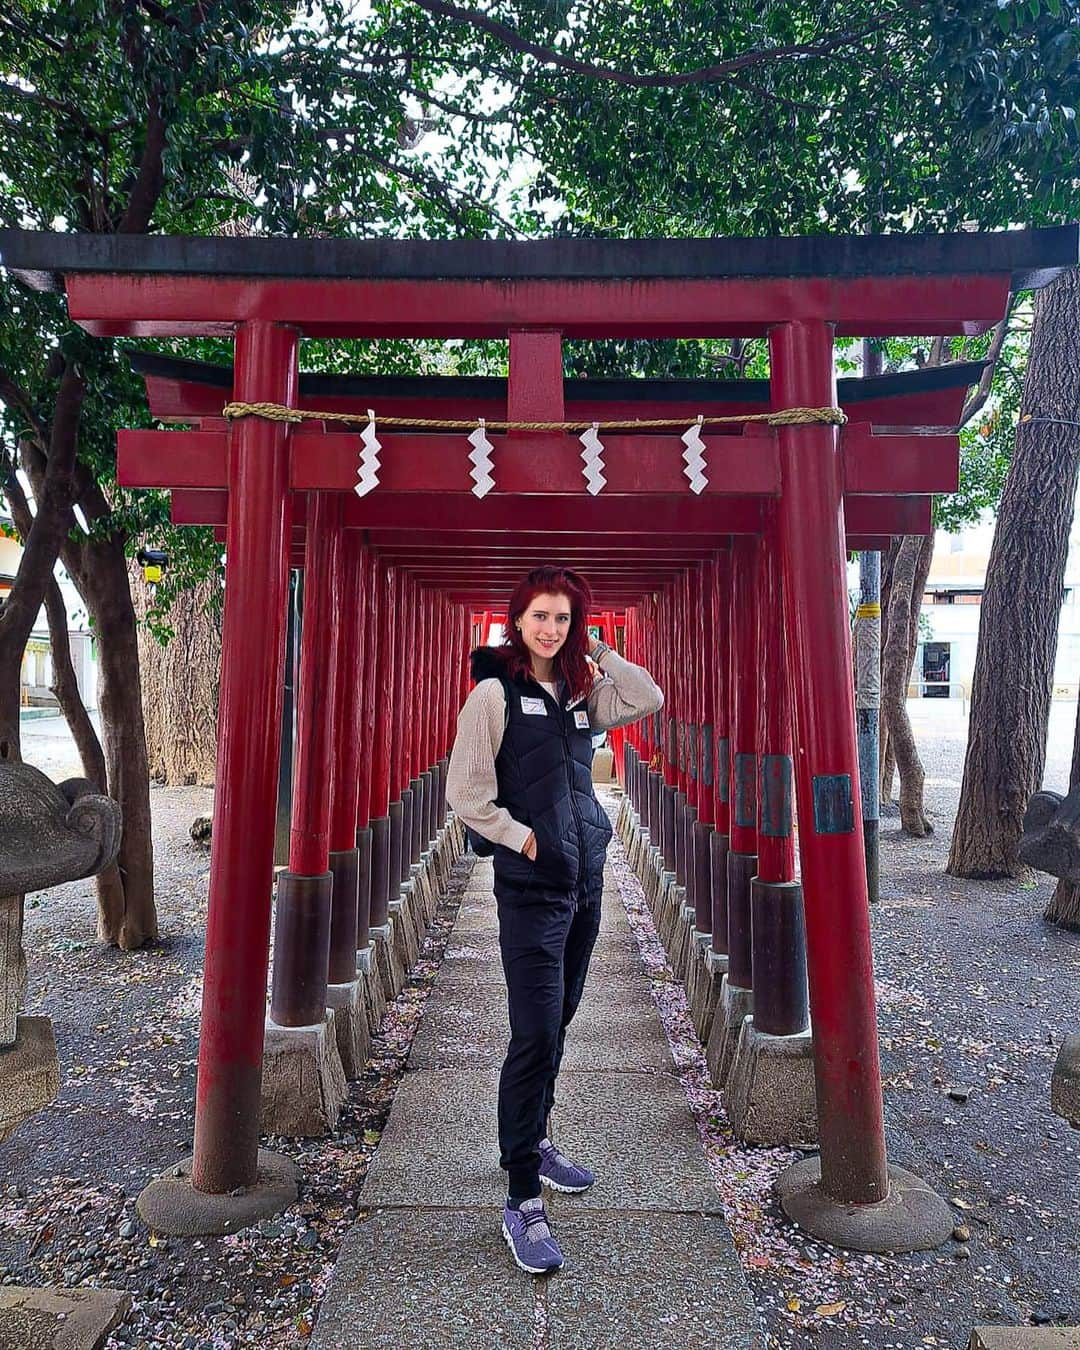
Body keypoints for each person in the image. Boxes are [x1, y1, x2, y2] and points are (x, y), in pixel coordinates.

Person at [446, 565, 664, 1274]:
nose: (551, 629)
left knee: (561, 1019)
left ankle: (535, 1138)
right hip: (531, 888)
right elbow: (467, 793)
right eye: (540, 616)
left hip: (584, 883)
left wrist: (597, 651)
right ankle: (520, 1197)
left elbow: (647, 696)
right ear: (517, 620)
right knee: (534, 1034)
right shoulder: (492, 695)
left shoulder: (578, 695)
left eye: (564, 619)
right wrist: (523, 838)